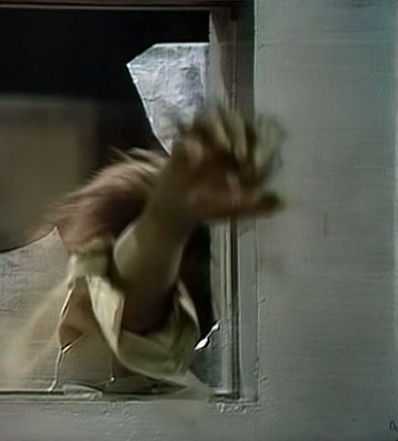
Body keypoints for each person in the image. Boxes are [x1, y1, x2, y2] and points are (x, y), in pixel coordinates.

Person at [39, 104, 285, 395]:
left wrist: (169, 212)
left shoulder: (128, 326)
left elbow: (134, 282)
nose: (71, 313)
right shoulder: (82, 369)